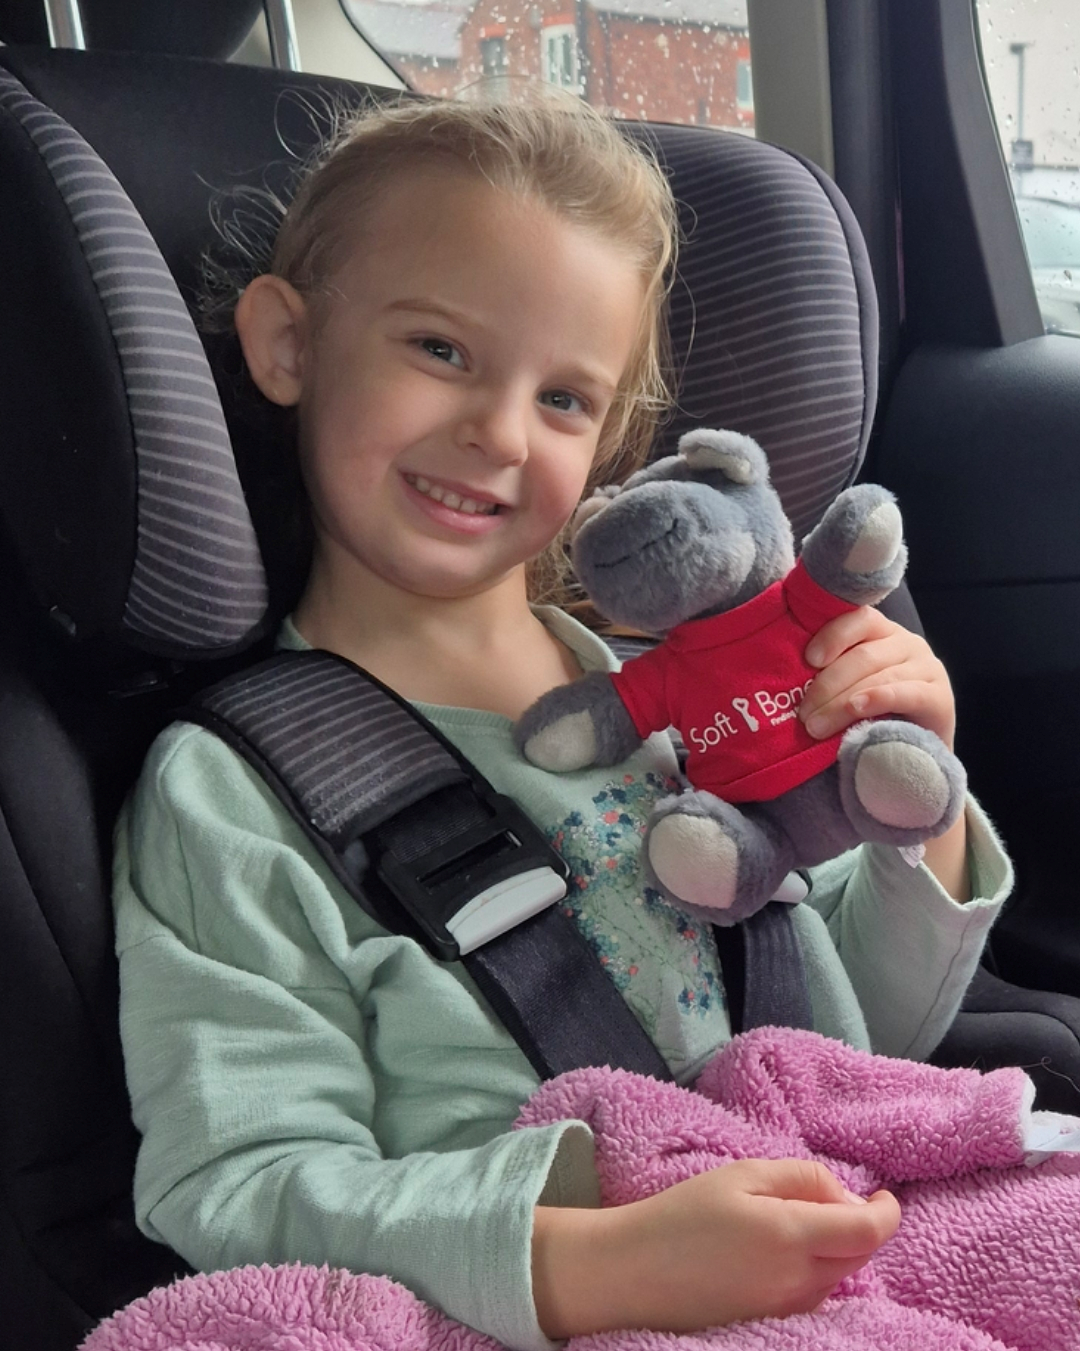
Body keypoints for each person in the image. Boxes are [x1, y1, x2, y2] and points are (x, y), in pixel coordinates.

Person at [112, 94, 1012, 1350]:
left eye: (566, 399)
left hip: (833, 1233)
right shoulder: (230, 793)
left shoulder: (677, 702)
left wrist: (919, 809)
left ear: (610, 443)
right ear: (288, 343)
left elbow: (856, 1051)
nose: (496, 431)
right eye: (439, 348)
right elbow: (238, 1183)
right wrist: (593, 1268)